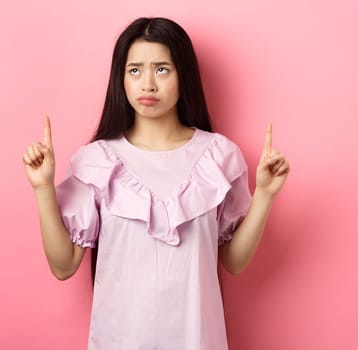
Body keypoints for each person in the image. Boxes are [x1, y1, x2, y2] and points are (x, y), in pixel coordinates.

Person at [21, 17, 290, 349]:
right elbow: (63, 266)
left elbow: (233, 261)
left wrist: (264, 194)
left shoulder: (219, 156)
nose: (147, 84)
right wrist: (42, 187)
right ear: (120, 79)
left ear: (184, 76)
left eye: (162, 69)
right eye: (134, 70)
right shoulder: (96, 161)